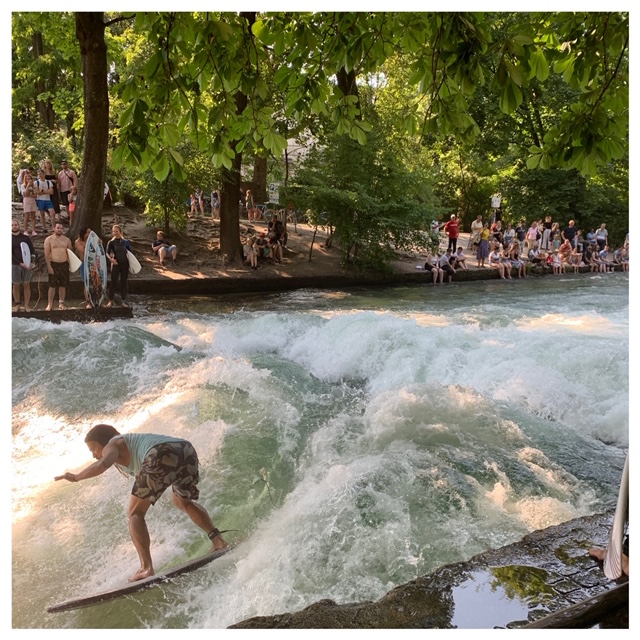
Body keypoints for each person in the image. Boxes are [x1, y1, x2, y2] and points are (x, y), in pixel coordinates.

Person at [54, 424, 228, 582]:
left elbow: (102, 464)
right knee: (182, 501)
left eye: (94, 449)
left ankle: (146, 568)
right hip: (185, 450)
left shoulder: (113, 444)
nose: (94, 455)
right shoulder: (132, 444)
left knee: (135, 513)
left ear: (103, 442)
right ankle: (219, 541)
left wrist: (76, 477)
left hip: (159, 453)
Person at [43, 222, 72, 310]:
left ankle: (61, 303)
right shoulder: (49, 240)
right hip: (53, 264)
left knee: (63, 285)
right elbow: (46, 254)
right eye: (58, 228)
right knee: (52, 285)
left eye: (61, 228)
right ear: (54, 229)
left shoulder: (67, 240)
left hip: (64, 264)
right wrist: (49, 266)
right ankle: (50, 304)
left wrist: (70, 265)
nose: (59, 229)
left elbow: (70, 253)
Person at [105, 224, 132, 307]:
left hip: (125, 264)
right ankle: (110, 301)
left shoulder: (125, 242)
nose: (115, 233)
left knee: (124, 283)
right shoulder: (111, 242)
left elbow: (130, 253)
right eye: (114, 231)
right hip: (116, 264)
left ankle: (123, 301)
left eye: (117, 231)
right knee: (113, 283)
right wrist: (111, 260)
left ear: (120, 232)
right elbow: (107, 253)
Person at [12, 219, 35, 312]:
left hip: (27, 264)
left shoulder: (25, 238)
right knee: (16, 285)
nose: (14, 226)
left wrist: (32, 263)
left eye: (16, 225)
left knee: (26, 284)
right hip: (15, 265)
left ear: (19, 225)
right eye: (12, 225)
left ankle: (27, 305)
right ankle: (17, 305)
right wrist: (20, 263)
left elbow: (32, 251)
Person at [74, 226, 94, 308]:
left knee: (95, 283)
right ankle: (88, 302)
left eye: (90, 232)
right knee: (87, 283)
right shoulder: (78, 242)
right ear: (84, 233)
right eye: (88, 232)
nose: (90, 234)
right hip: (84, 264)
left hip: (94, 263)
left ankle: (96, 300)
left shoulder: (93, 240)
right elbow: (83, 251)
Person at [34, 167, 57, 232]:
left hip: (48, 200)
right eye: (39, 174)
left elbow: (52, 192)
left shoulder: (49, 182)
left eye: (41, 174)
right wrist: (47, 191)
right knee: (42, 214)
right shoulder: (36, 182)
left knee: (52, 213)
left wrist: (43, 191)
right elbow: (37, 192)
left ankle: (53, 227)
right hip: (40, 200)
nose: (40, 175)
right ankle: (44, 228)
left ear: (44, 174)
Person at [20, 168, 37, 236]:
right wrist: (28, 186)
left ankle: (33, 230)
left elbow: (35, 195)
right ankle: (25, 230)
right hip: (26, 201)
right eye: (27, 178)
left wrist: (30, 195)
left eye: (30, 178)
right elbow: (24, 194)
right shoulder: (23, 186)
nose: (28, 180)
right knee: (26, 216)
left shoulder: (34, 186)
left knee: (33, 216)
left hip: (33, 201)